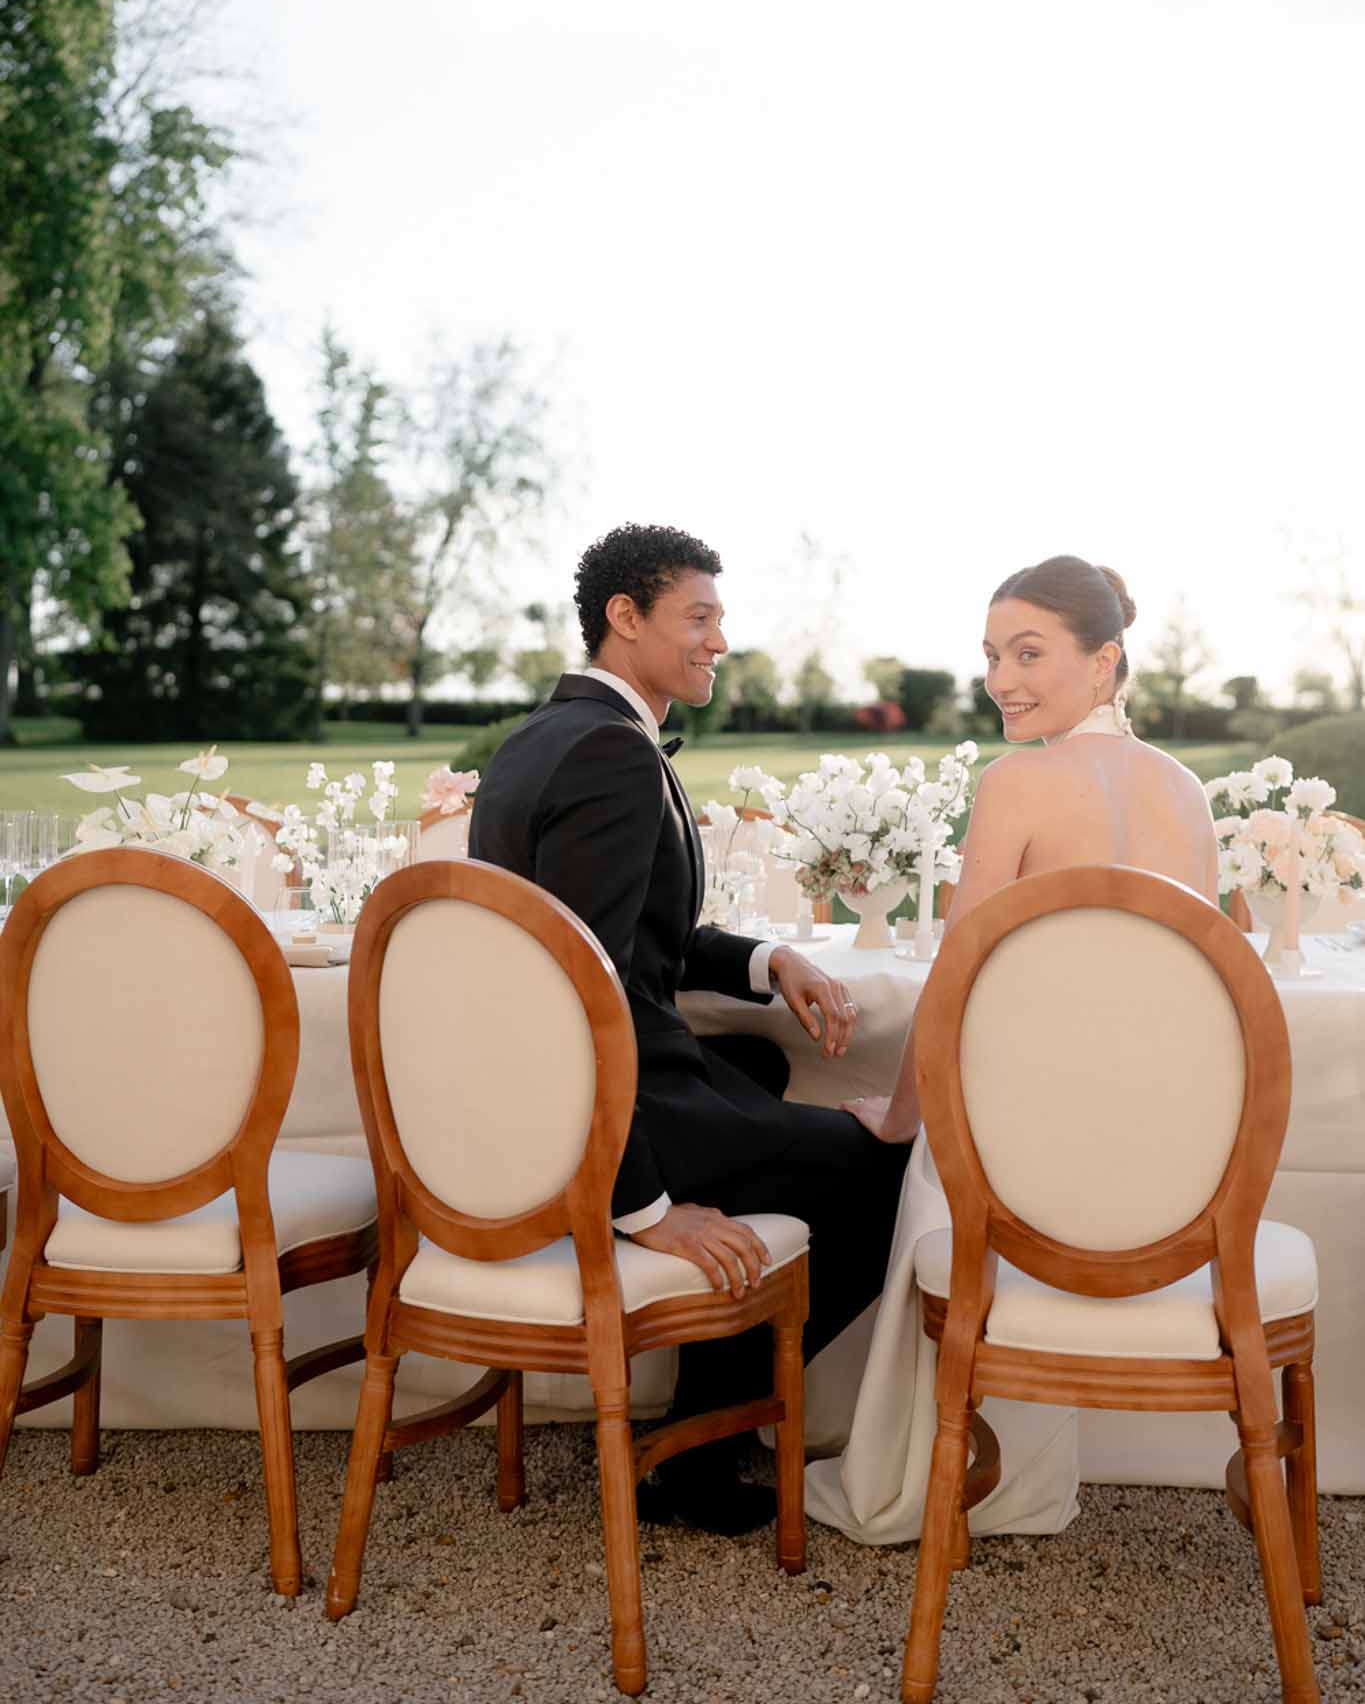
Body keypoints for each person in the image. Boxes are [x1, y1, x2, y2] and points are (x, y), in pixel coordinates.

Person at [469, 522, 910, 1534]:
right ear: (625, 618)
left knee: (756, 1053)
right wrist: (643, 1204)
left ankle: (703, 1414)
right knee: (891, 1157)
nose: (719, 637)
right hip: (596, 1115)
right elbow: (591, 995)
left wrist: (769, 960)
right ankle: (697, 1452)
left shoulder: (549, 738)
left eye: (720, 616)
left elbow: (626, 936)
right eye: (697, 616)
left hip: (560, 1082)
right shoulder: (612, 760)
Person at [806, 554, 1221, 1545]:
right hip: (1158, 1152)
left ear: (1105, 656)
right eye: (993, 653)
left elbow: (955, 977)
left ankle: (926, 1472)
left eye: (1028, 652)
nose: (1001, 678)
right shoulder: (1188, 792)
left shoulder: (1020, 782)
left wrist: (901, 1115)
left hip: (1020, 1150)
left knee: (938, 1139)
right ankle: (1023, 1482)